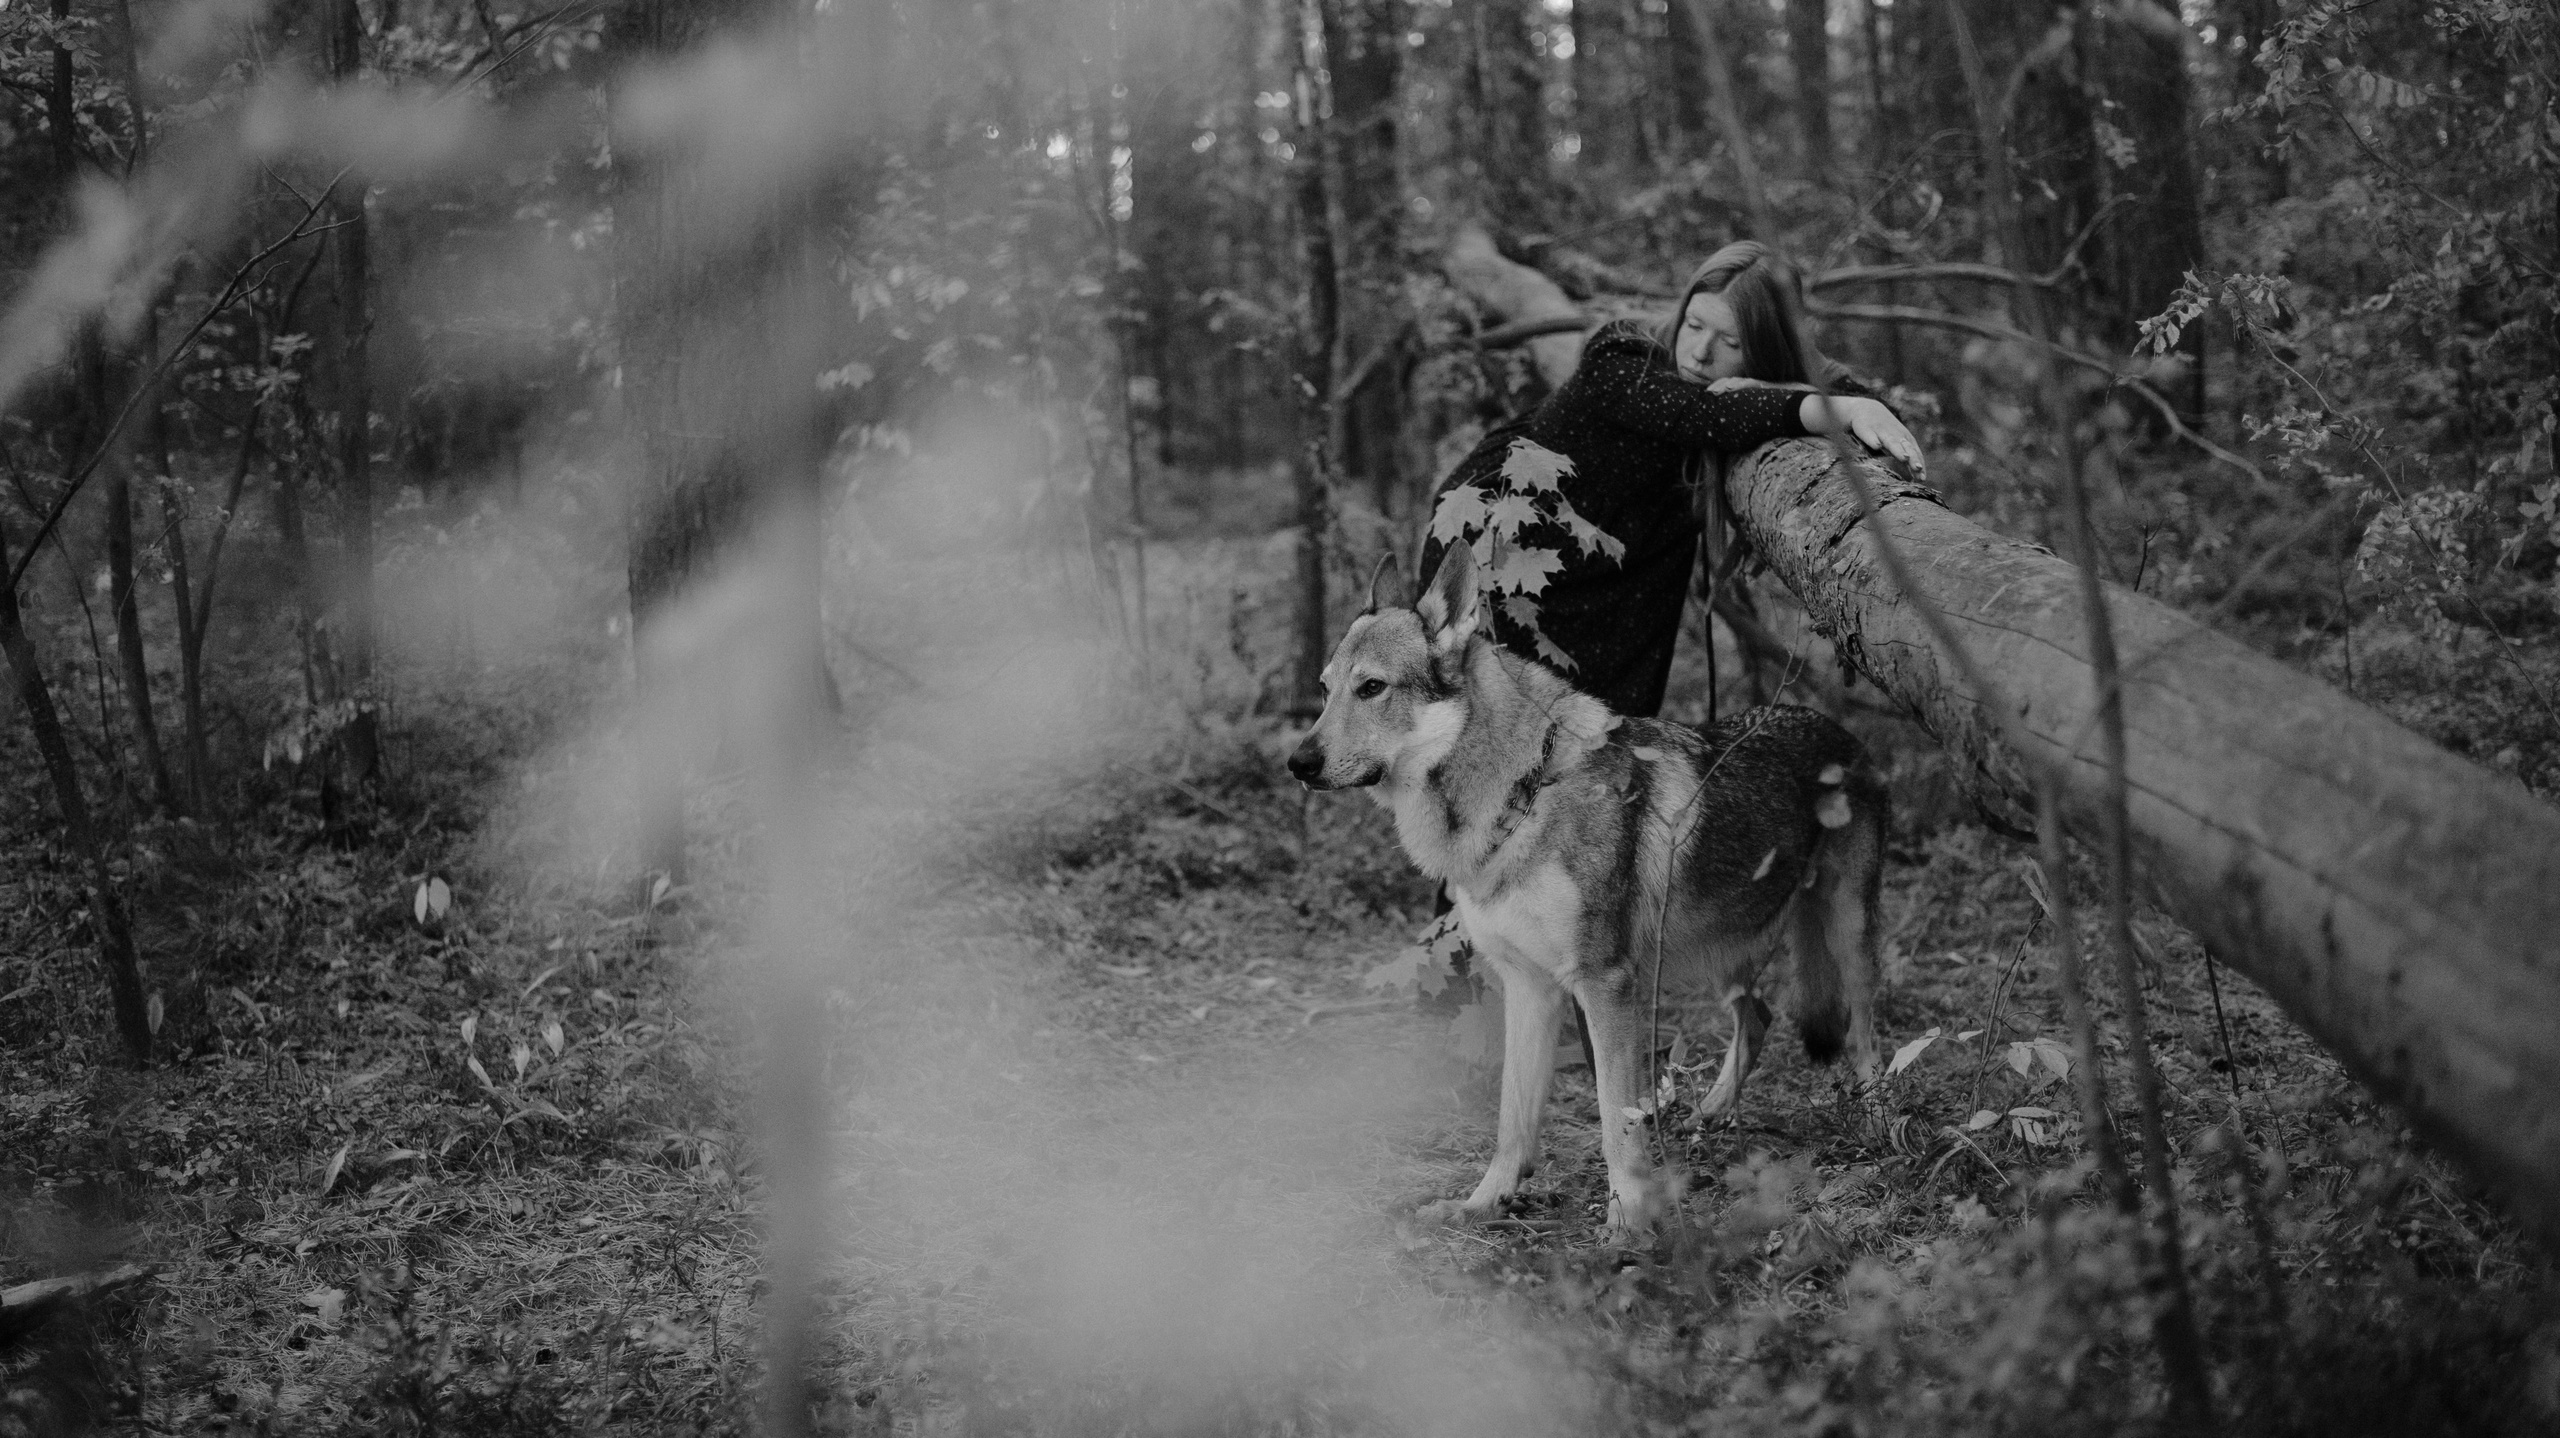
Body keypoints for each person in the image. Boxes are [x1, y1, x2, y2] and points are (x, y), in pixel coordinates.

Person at [1421, 240, 1921, 720]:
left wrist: (1805, 392)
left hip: (1618, 576)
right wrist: (1833, 407)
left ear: (1765, 351)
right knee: (1489, 726)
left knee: (1597, 745)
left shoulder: (1760, 378)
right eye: (1695, 324)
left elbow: (1878, 413)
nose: (1700, 353)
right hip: (1504, 548)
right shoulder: (1620, 354)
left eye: (1730, 342)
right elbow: (1701, 414)